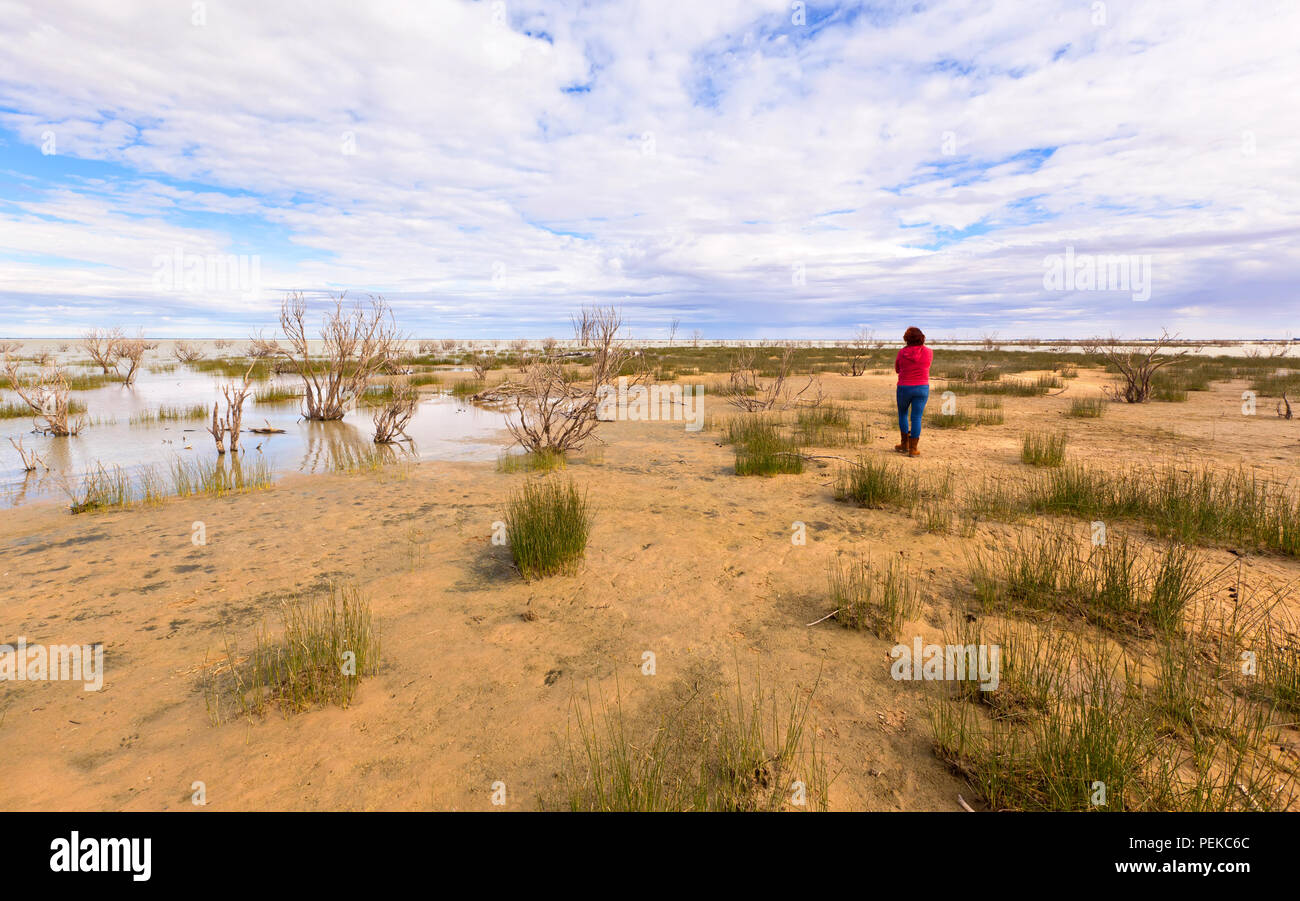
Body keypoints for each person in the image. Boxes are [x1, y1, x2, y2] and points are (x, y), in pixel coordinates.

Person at [894, 327, 932, 457]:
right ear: (921, 338)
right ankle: (913, 449)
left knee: (903, 414)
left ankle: (904, 444)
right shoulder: (929, 352)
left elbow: (897, 370)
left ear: (906, 339)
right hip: (922, 388)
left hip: (904, 387)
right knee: (916, 417)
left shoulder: (901, 353)